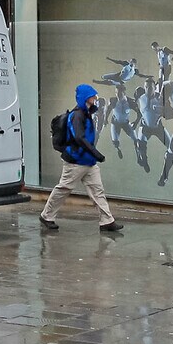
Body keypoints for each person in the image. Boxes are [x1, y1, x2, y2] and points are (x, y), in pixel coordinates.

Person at [39, 84, 122, 233]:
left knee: (97, 191)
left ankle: (107, 221)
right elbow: (79, 137)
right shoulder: (77, 115)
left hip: (88, 161)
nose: (96, 98)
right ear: (85, 98)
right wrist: (95, 153)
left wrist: (93, 155)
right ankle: (46, 216)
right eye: (93, 96)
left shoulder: (86, 113)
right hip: (76, 161)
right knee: (63, 188)